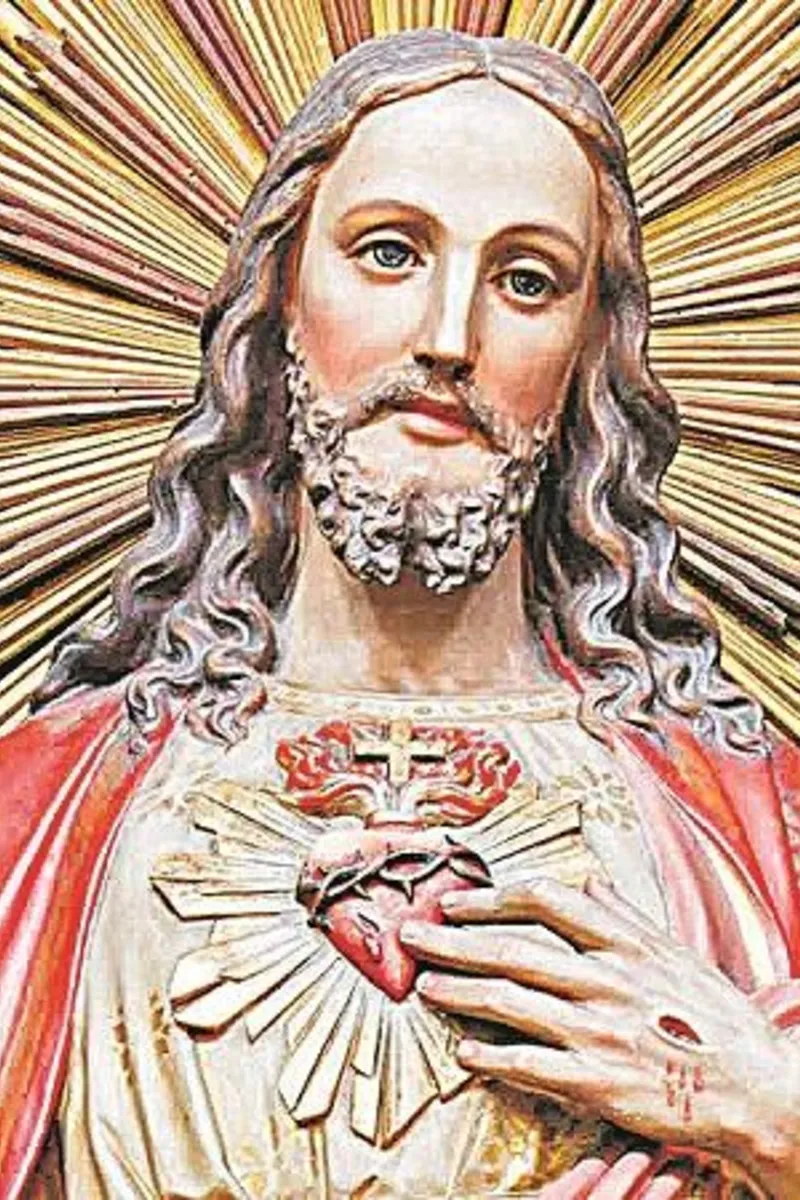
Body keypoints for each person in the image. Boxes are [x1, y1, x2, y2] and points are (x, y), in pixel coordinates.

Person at [3, 29, 800, 1200]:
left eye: (525, 281)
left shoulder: (756, 822)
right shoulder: (39, 808)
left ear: (589, 350)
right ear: (280, 296)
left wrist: (764, 1107)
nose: (446, 339)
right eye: (389, 253)